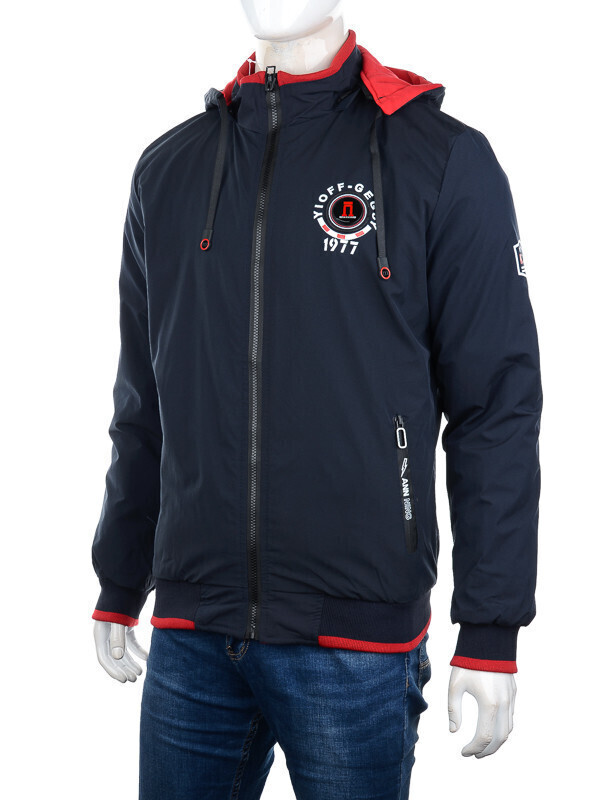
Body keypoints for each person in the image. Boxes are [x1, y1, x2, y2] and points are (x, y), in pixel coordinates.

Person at [91, 2, 542, 797]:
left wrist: (490, 627)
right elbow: (144, 402)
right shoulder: (169, 169)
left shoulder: (439, 158)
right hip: (193, 635)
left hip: (355, 645)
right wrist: (120, 580)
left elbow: (495, 407)